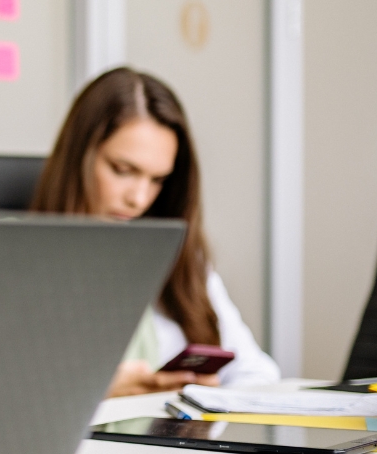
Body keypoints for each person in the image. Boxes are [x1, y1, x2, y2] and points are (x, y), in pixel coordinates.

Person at [31, 67, 280, 396]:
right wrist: (95, 392)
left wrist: (206, 397)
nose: (138, 198)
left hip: (175, 445)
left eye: (157, 180)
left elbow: (255, 372)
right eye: (123, 170)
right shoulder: (9, 257)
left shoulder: (178, 259)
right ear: (79, 157)